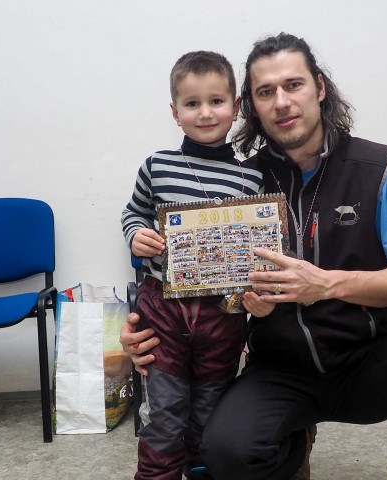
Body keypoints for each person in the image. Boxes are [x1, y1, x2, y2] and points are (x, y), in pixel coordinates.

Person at [122, 33, 387, 480]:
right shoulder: (243, 182)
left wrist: (326, 284)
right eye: (266, 92)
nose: (282, 102)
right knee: (225, 452)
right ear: (251, 106)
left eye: (294, 85)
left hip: (367, 362)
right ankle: (293, 443)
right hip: (280, 371)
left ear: (319, 87)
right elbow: (201, 275)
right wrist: (153, 332)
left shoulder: (379, 167)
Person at [120, 50, 263, 480]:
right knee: (164, 414)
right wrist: (136, 235)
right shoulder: (157, 165)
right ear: (175, 111)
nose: (205, 113)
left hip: (223, 314)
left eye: (216, 101)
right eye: (192, 103)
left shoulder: (252, 179)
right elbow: (133, 213)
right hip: (163, 308)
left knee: (209, 411)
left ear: (235, 106)